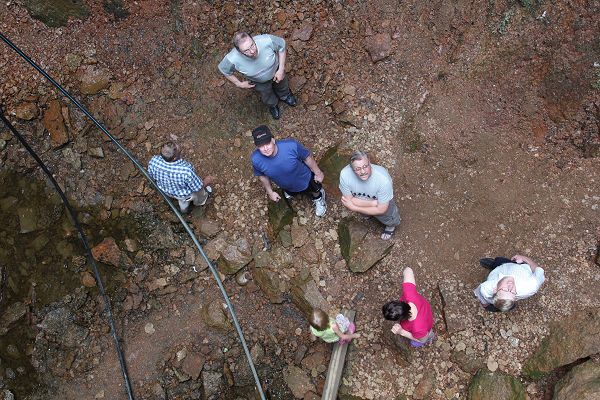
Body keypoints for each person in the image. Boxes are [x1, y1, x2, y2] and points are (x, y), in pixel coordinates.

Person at [218, 31, 297, 120]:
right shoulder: (232, 58)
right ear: (239, 51)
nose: (252, 51)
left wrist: (281, 69)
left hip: (276, 71)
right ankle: (273, 105)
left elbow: (281, 46)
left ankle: (285, 95)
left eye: (252, 45)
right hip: (258, 81)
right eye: (246, 50)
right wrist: (239, 83)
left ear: (253, 39)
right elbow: (224, 70)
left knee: (282, 84)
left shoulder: (266, 40)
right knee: (266, 94)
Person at [251, 125, 327, 217]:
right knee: (290, 191)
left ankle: (318, 197)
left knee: (315, 190)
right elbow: (262, 176)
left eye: (267, 143)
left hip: (305, 178)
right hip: (285, 185)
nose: (266, 148)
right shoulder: (256, 159)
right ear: (257, 147)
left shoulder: (291, 146)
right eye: (261, 146)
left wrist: (318, 172)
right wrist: (270, 192)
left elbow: (307, 158)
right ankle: (292, 191)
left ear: (273, 140)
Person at [339, 151, 401, 240]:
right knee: (366, 212)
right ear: (352, 168)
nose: (363, 171)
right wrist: (373, 204)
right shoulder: (345, 175)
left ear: (369, 162)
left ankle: (390, 226)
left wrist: (354, 208)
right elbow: (349, 200)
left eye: (365, 166)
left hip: (378, 205)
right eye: (358, 169)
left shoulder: (383, 179)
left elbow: (382, 209)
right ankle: (368, 213)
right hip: (373, 201)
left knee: (388, 216)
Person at [148, 142, 213, 213]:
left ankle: (183, 212)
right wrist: (207, 180)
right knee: (198, 193)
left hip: (164, 190)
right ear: (175, 158)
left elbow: (151, 176)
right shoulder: (186, 171)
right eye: (179, 151)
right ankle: (200, 202)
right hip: (183, 196)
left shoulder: (153, 161)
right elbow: (198, 187)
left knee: (183, 204)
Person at [382, 267, 435, 347]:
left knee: (417, 341)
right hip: (425, 309)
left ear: (400, 319)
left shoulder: (417, 327)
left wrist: (402, 332)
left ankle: (431, 337)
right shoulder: (409, 293)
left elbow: (422, 339)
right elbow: (408, 270)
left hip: (426, 327)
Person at [474, 254, 545, 312]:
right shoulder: (532, 285)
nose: (511, 286)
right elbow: (537, 269)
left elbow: (481, 295)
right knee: (500, 261)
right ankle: (494, 264)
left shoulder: (487, 287)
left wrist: (486, 306)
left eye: (505, 290)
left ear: (495, 289)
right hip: (515, 266)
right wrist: (523, 258)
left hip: (501, 270)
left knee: (500, 262)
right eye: (513, 292)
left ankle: (493, 265)